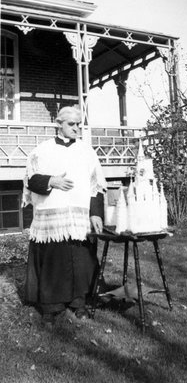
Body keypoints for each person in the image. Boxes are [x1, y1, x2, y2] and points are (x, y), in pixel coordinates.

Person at [23, 105, 106, 327]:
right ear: (58, 124)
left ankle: (79, 303)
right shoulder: (42, 150)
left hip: (79, 219)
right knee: (54, 261)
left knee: (81, 261)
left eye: (79, 124)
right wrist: (52, 181)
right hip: (53, 219)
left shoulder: (87, 152)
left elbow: (95, 185)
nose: (76, 128)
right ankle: (52, 306)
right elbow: (31, 180)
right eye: (71, 124)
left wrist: (96, 213)